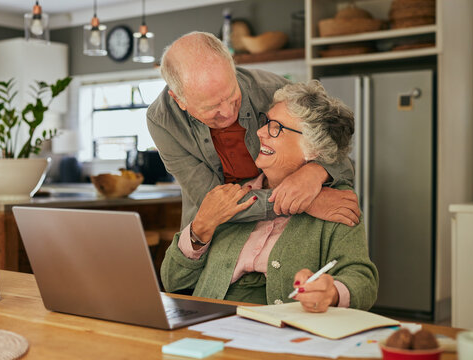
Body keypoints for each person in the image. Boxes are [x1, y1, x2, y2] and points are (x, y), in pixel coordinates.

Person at [161, 81, 378, 311]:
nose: (260, 132)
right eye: (266, 122)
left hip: (280, 333)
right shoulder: (234, 194)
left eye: (276, 128)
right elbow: (172, 282)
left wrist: (332, 292)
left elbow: (363, 280)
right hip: (208, 325)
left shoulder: (336, 202)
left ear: (313, 149)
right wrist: (199, 232)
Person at [147, 32, 360, 229]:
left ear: (233, 67)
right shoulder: (162, 120)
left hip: (283, 228)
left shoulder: (276, 92)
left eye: (232, 95)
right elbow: (211, 201)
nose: (229, 112)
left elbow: (338, 155)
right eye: (212, 108)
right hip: (215, 233)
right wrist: (299, 203)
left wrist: (315, 172)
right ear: (179, 100)